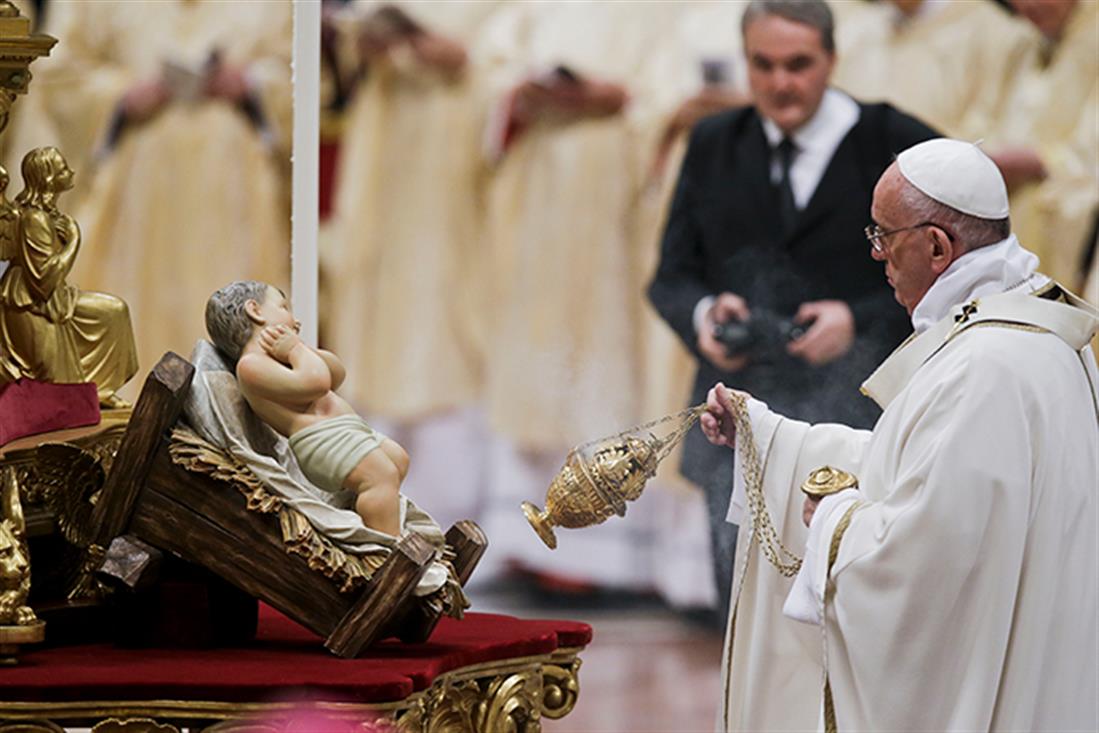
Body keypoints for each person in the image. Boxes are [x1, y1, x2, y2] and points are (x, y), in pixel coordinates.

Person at [701, 138, 1098, 731]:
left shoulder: (985, 366)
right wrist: (772, 440)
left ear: (937, 246)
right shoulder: (1032, 323)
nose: (877, 253)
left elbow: (924, 561)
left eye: (883, 235)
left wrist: (833, 520)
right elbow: (923, 469)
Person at [647, 0, 937, 623]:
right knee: (741, 625)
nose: (781, 82)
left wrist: (856, 321)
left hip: (863, 427)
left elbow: (947, 274)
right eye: (764, 64)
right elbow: (671, 278)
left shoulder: (897, 142)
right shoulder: (712, 143)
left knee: (853, 624)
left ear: (832, 58)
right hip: (736, 427)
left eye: (799, 64)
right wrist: (705, 316)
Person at [205, 281, 408, 537]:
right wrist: (295, 350)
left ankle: (377, 516)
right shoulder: (251, 365)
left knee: (397, 459)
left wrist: (298, 349)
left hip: (345, 430)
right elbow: (317, 383)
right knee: (380, 476)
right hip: (321, 440)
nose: (295, 320)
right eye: (283, 307)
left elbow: (336, 374)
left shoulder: (284, 357)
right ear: (255, 310)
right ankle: (388, 542)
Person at [0, 147, 137, 407]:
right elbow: (43, 281)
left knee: (115, 312)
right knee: (57, 388)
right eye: (62, 169)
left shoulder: (47, 214)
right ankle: (84, 398)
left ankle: (101, 389)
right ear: (48, 179)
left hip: (54, 300)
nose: (70, 172)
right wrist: (73, 241)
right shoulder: (34, 219)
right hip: (30, 305)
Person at [986, 0, 1098, 291]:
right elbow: (989, 117)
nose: (1028, 6)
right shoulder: (1025, 41)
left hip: (1073, 207)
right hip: (1015, 203)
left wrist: (1042, 161)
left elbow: (1090, 155)